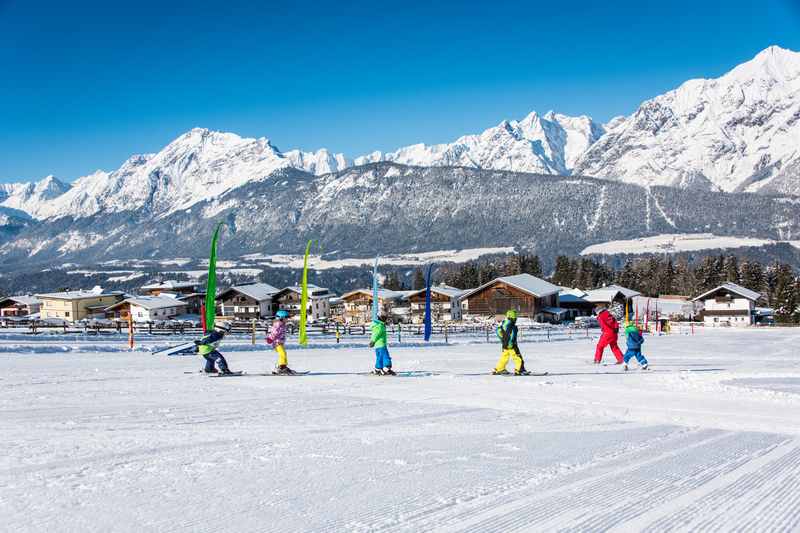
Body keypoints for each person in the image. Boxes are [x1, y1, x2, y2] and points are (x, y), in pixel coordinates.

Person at [493, 310, 530, 375]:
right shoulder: (512, 326)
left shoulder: (503, 324)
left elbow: (498, 331)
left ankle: (499, 369)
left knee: (504, 357)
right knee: (517, 357)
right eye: (515, 318)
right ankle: (520, 370)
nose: (516, 319)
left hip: (505, 345)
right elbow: (512, 335)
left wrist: (503, 340)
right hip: (512, 345)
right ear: (512, 318)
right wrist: (511, 343)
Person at [266, 310, 294, 374]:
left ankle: (283, 366)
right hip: (277, 343)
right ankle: (282, 367)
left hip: (280, 342)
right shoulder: (278, 325)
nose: (287, 319)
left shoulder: (282, 324)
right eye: (286, 318)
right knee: (282, 353)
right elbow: (274, 333)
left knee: (284, 353)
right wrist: (270, 338)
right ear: (281, 318)